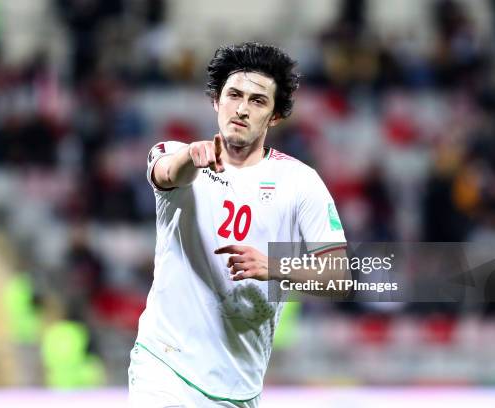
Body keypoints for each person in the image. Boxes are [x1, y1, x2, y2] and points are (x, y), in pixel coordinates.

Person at [129, 42, 347, 407]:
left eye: (258, 101)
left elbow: (338, 274)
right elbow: (166, 173)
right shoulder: (176, 153)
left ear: (275, 116)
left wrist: (274, 267)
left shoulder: (300, 182)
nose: (242, 109)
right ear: (216, 101)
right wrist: (190, 156)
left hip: (239, 388)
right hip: (164, 365)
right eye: (234, 95)